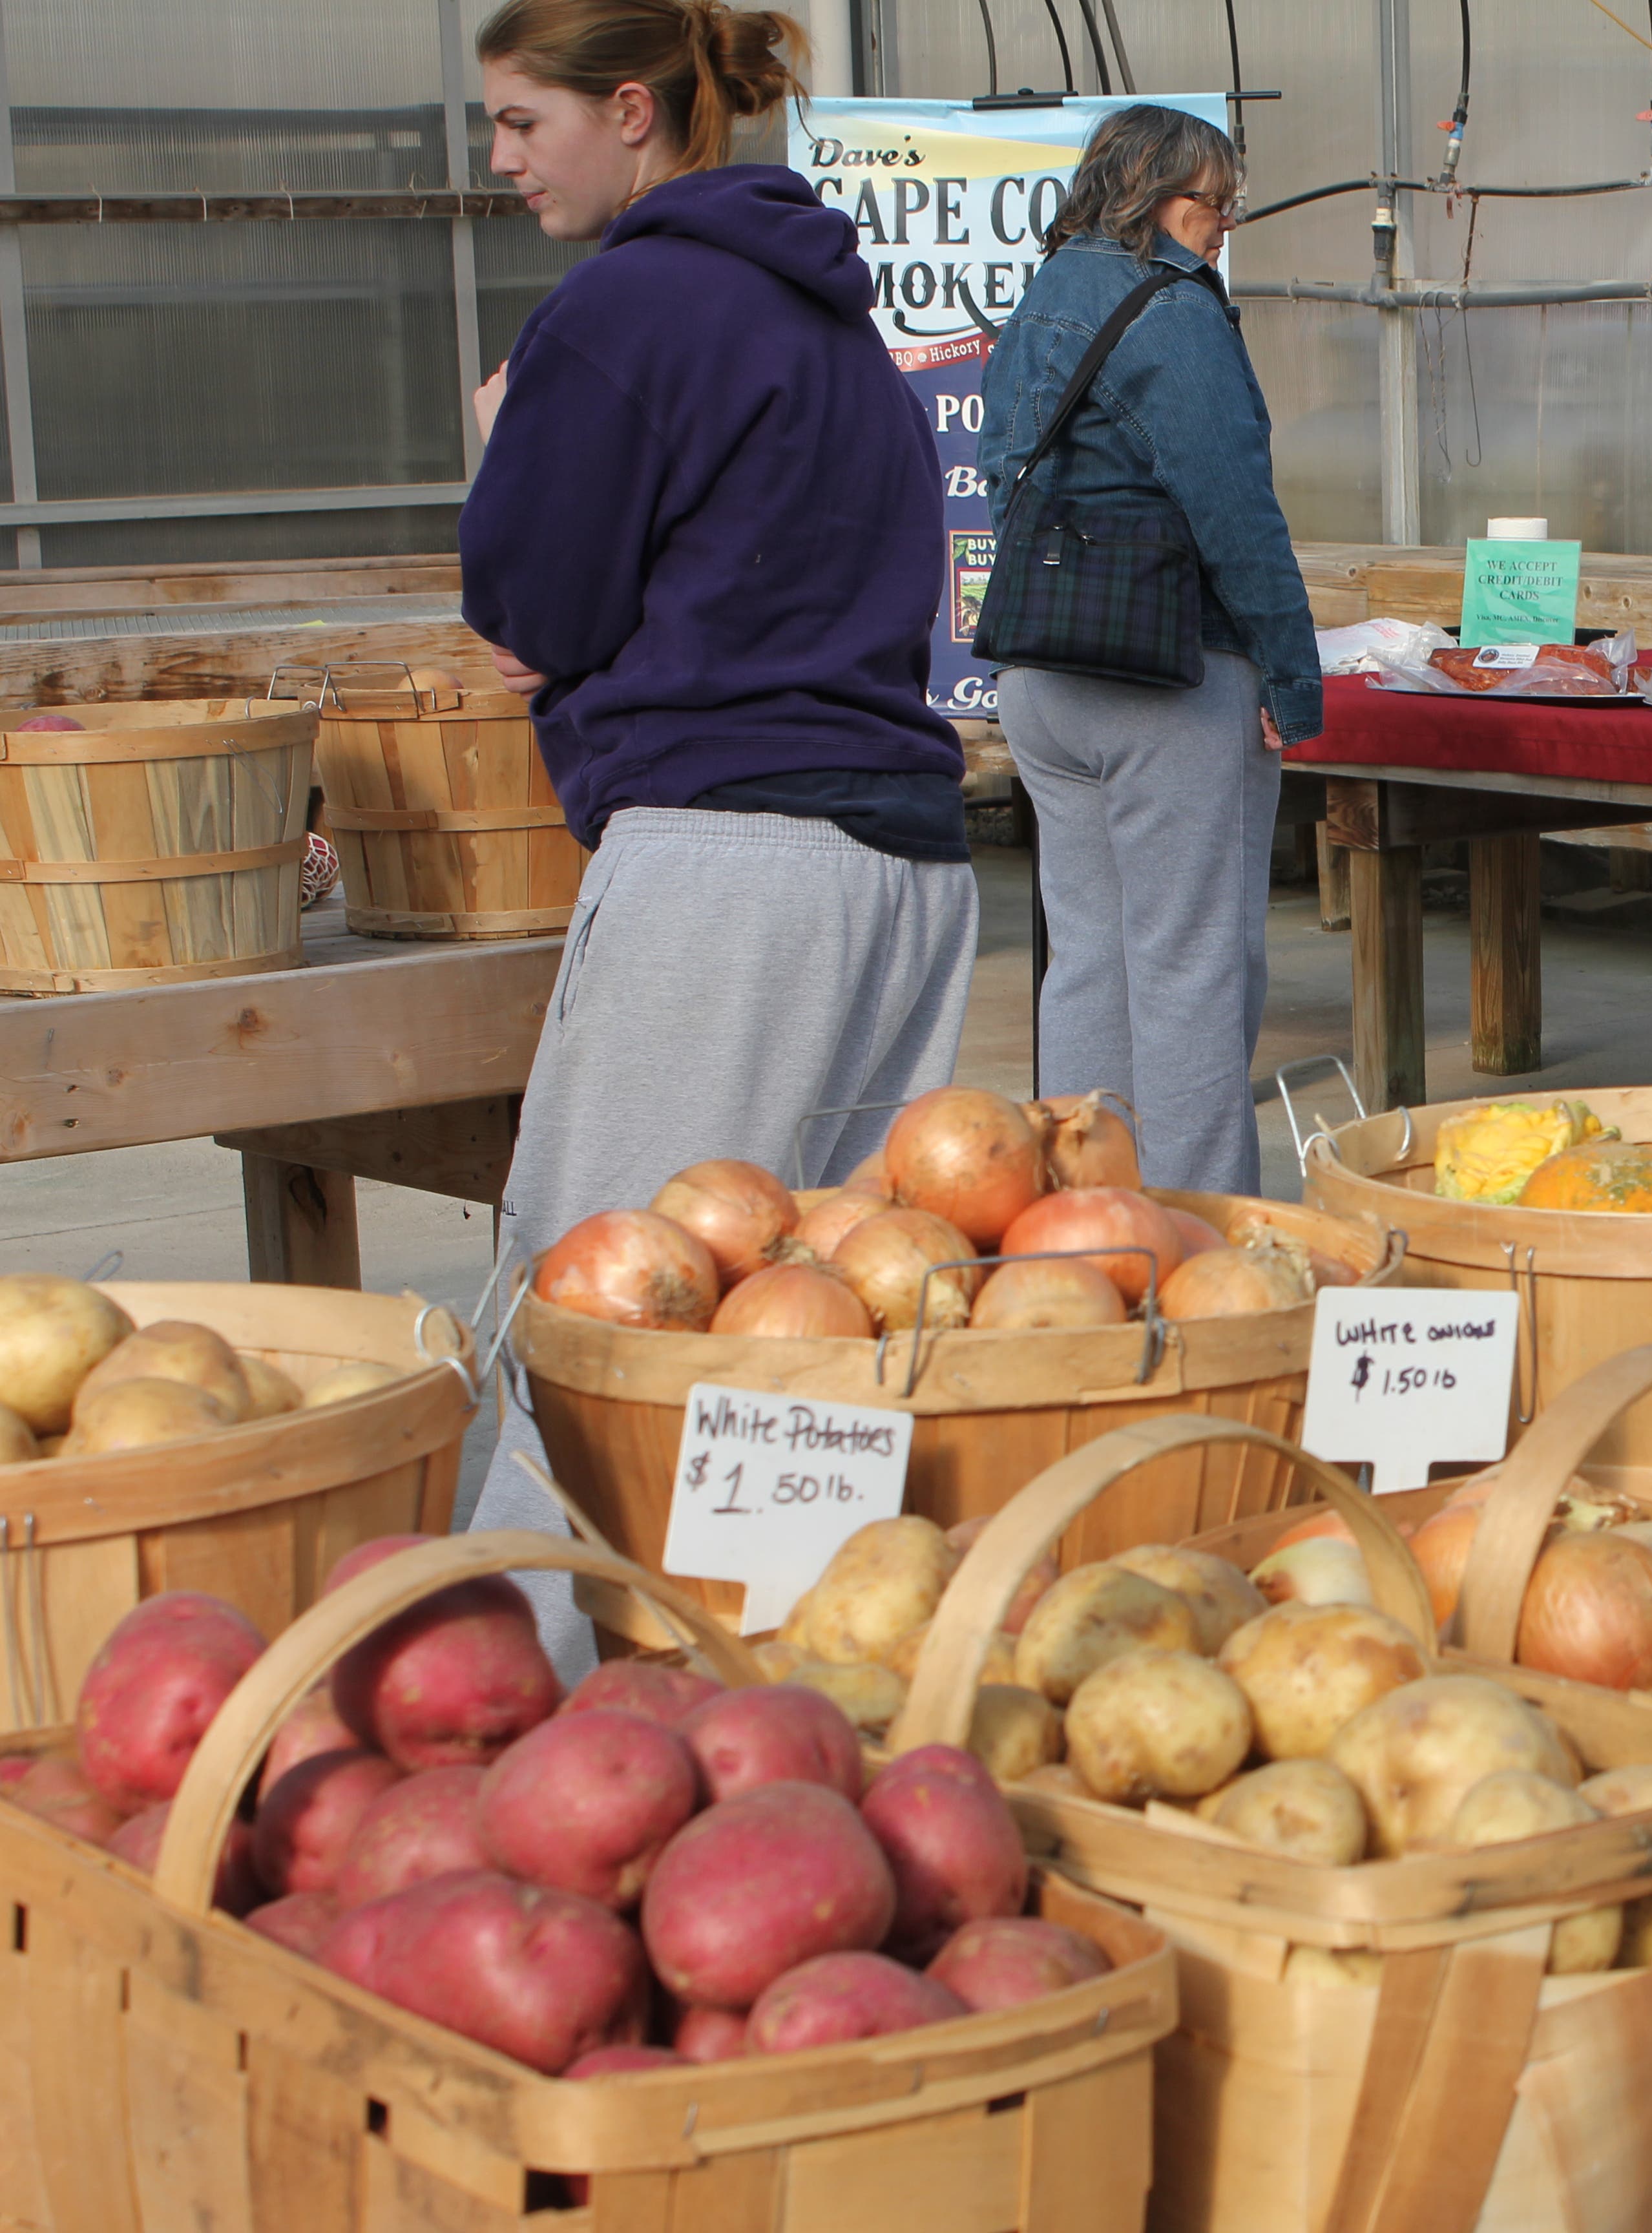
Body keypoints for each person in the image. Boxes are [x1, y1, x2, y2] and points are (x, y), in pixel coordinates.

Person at [459, 0, 978, 1670]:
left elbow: (532, 605)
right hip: (906, 863)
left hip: (731, 864)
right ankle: (795, 1696)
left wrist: (498, 456)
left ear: (631, 108)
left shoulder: (619, 315)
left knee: (608, 1319)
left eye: (522, 123)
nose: (499, 160)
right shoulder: (834, 320)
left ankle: (522, 1708)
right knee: (815, 1323)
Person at [978, 106, 1319, 1195]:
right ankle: (1199, 1233)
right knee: (1189, 967)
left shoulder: (1037, 299)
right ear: (1157, 197)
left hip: (1042, 673)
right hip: (1164, 676)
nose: (1221, 224)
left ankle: (1078, 1219)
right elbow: (1233, 511)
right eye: (1210, 202)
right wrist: (1290, 676)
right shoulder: (1175, 313)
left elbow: (1001, 468)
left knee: (1087, 958)